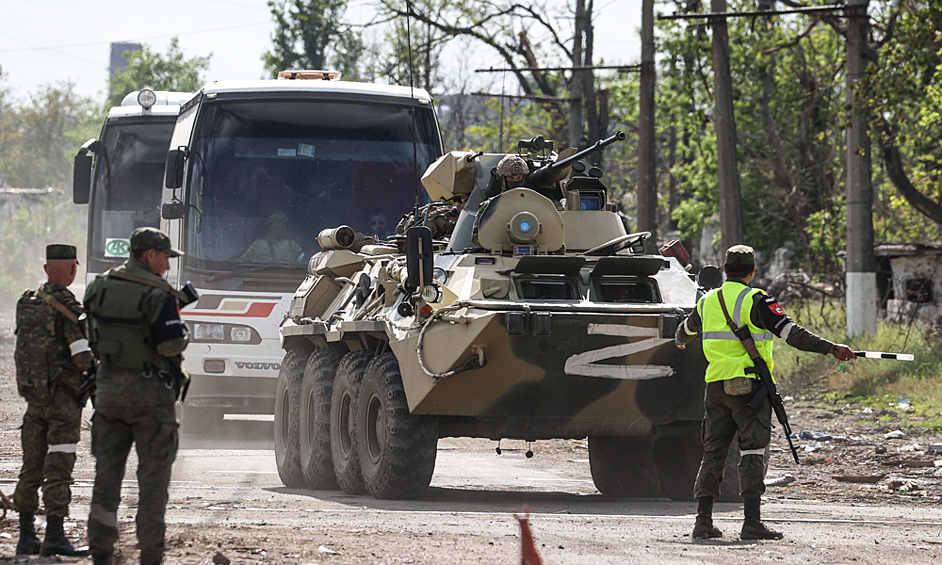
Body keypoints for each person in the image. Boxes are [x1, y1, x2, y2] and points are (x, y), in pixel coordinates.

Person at [675, 245, 856, 541]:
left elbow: (684, 331)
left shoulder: (709, 300)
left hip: (716, 387)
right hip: (749, 388)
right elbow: (792, 333)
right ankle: (751, 523)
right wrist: (831, 348)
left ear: (724, 270)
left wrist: (680, 340)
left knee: (713, 453)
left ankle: (703, 522)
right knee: (752, 452)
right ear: (752, 271)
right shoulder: (756, 300)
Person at [83, 227, 190, 565]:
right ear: (149, 255)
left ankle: (101, 550)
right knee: (153, 478)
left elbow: (91, 332)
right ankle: (150, 552)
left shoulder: (99, 286)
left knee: (107, 476)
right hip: (149, 397)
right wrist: (182, 329)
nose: (167, 267)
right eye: (164, 258)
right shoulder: (158, 295)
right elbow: (169, 344)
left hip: (108, 391)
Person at [12, 244, 93, 557]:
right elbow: (82, 356)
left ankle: (26, 536)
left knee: (30, 466)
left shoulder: (26, 302)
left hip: (34, 399)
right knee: (59, 465)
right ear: (73, 271)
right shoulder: (68, 306)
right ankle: (55, 537)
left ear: (46, 270)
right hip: (63, 402)